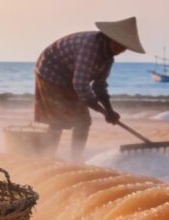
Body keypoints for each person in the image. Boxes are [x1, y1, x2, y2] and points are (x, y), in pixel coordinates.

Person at [33, 17, 145, 161]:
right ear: (111, 39)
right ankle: (47, 158)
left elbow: (99, 86)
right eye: (121, 46)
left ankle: (76, 159)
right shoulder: (90, 48)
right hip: (51, 71)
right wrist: (102, 111)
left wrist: (110, 111)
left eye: (125, 48)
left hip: (71, 76)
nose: (122, 51)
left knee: (84, 122)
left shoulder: (108, 58)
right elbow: (80, 85)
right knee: (57, 120)